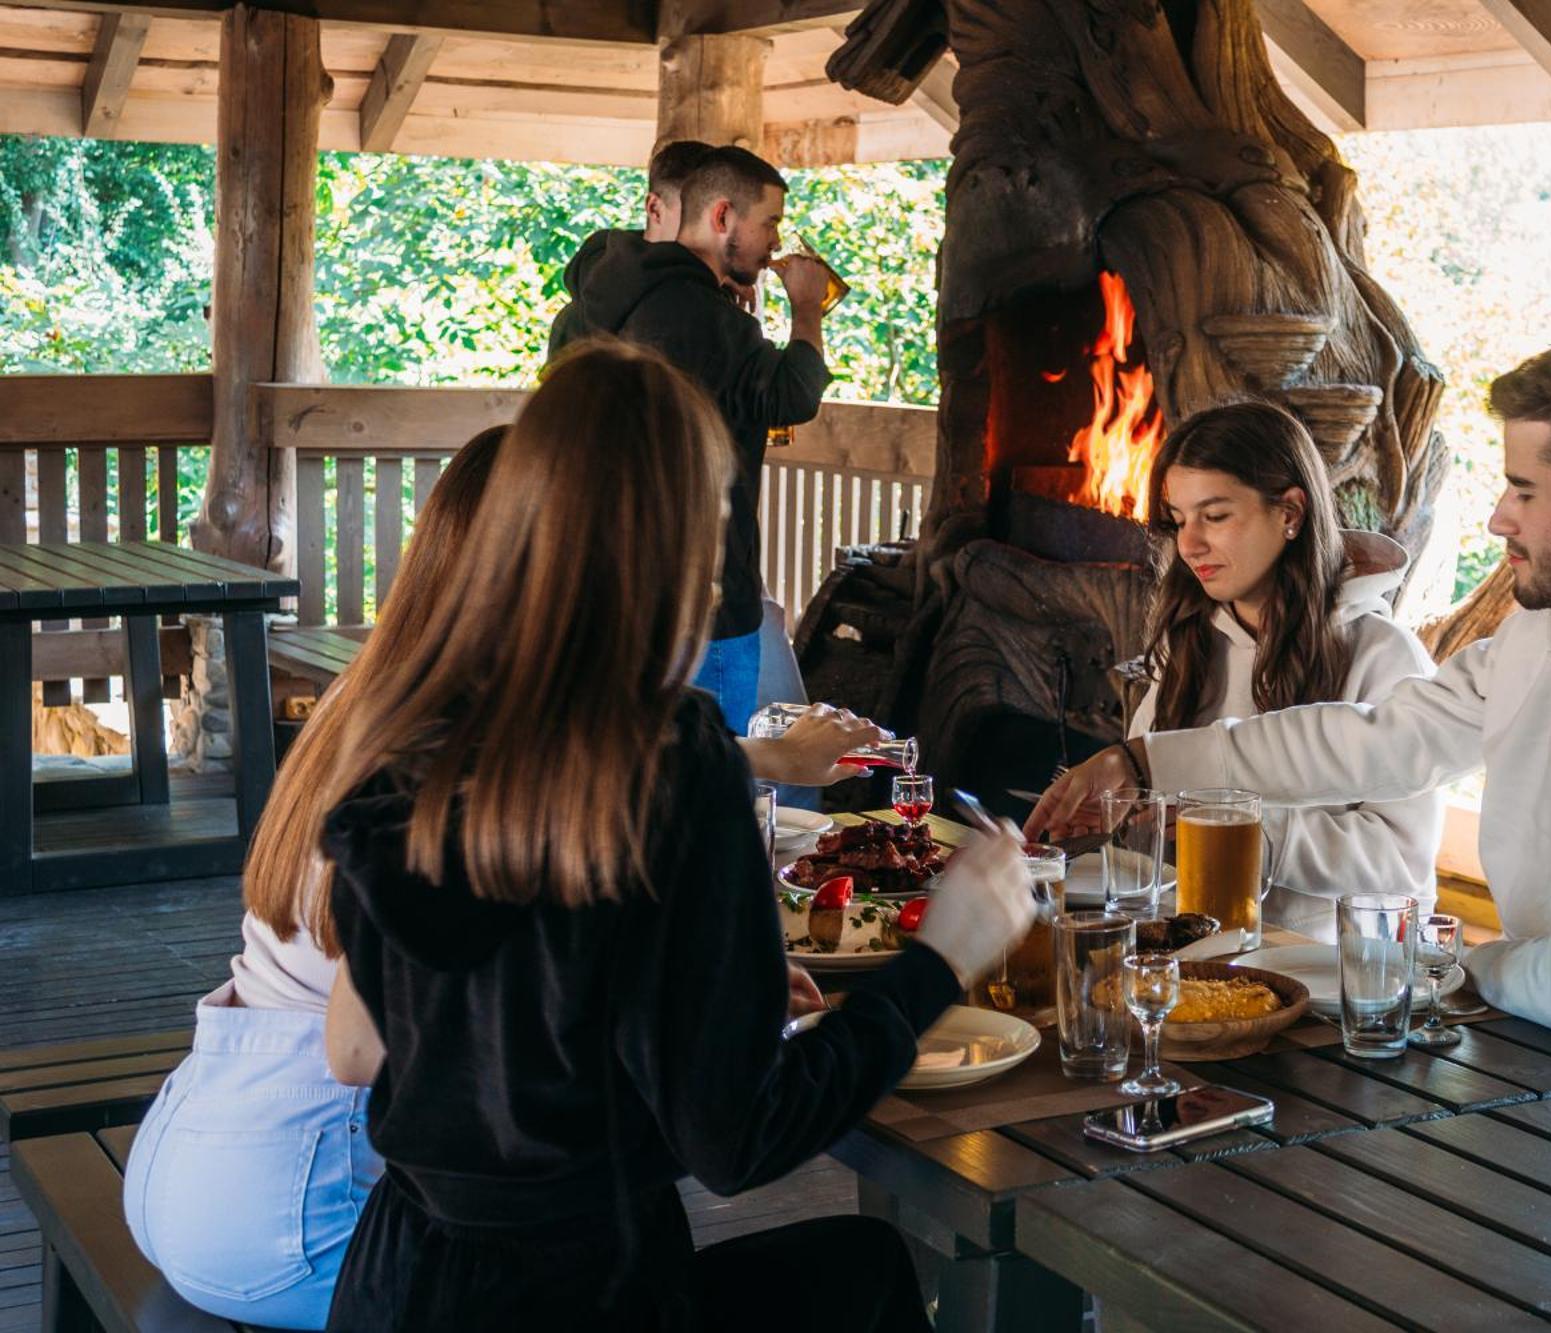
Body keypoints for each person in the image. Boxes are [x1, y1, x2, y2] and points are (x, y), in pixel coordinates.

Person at [316, 339, 1032, 1331]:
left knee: (855, 1267)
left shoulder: (413, 730)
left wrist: (702, 994)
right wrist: (943, 954)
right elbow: (738, 1141)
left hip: (399, 1282)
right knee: (864, 1277)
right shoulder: (669, 748)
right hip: (586, 1297)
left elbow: (500, 1004)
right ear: (679, 535)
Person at [122, 423, 874, 1330]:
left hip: (193, 1145)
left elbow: (590, 772)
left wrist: (751, 761)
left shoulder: (379, 707)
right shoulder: (433, 776)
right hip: (302, 1200)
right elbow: (375, 1051)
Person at [1033, 338, 1551, 1090]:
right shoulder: (1550, 632)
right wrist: (1148, 764)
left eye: (1524, 490)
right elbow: (1376, 739)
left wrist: (1449, 962)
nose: (1498, 516)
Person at [1128, 400, 1442, 939]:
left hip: (1321, 981)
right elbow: (1146, 799)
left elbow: (1401, 866)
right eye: (1178, 520)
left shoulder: (1382, 655)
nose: (1189, 544)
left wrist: (1247, 831)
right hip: (1188, 961)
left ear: (1291, 513)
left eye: (1216, 515)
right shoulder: (1188, 641)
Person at [547, 144, 833, 733]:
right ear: (723, 217)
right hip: (702, 600)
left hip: (605, 584)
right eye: (771, 222)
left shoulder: (592, 307)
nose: (776, 242)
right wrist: (808, 307)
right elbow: (793, 393)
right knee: (714, 767)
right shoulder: (703, 316)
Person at [546, 138, 713, 357]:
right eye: (693, 214)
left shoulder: (714, 301)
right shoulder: (577, 321)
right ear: (655, 209)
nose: (715, 232)